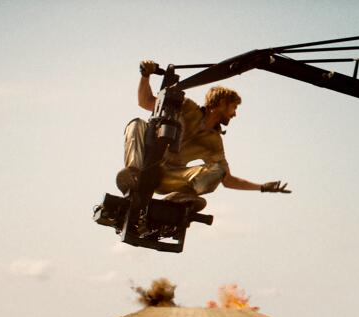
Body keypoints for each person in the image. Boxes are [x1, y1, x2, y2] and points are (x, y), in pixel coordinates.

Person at [117, 60, 290, 212]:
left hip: (169, 178)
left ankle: (179, 197)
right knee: (137, 123)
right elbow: (145, 101)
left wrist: (261, 187)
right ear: (222, 103)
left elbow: (227, 180)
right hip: (146, 162)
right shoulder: (186, 106)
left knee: (218, 170)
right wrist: (145, 76)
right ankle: (133, 174)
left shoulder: (214, 141)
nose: (234, 114)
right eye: (234, 108)